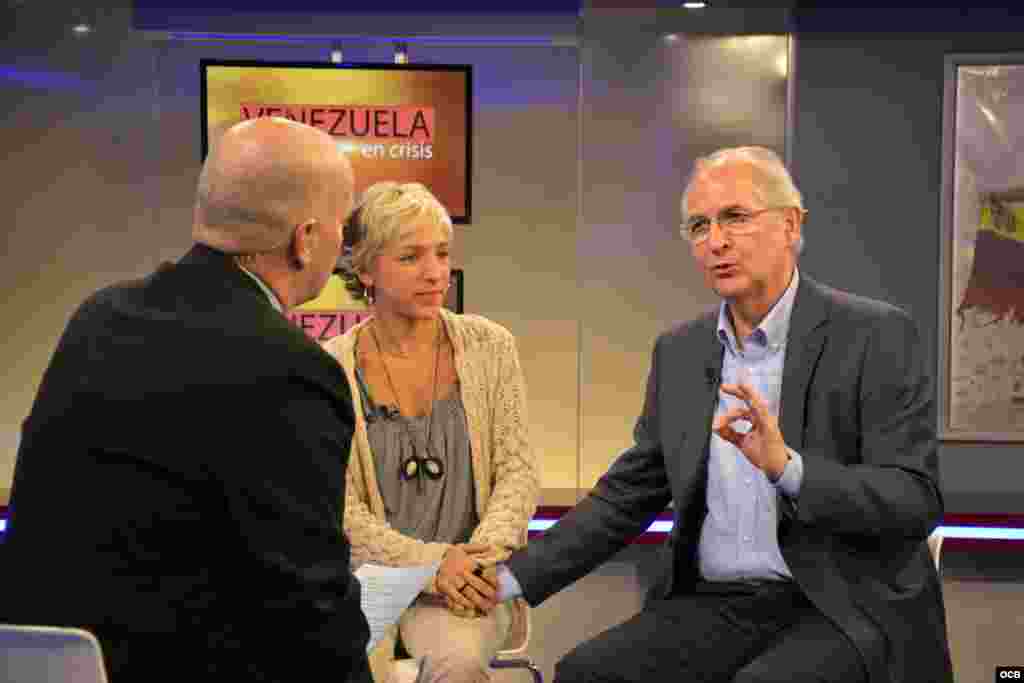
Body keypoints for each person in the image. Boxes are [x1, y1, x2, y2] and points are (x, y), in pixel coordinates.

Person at [496, 146, 953, 683]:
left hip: (843, 604)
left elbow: (913, 499)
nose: (716, 241)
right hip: (718, 605)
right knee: (587, 674)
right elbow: (627, 495)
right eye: (699, 225)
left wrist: (789, 469)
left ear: (791, 224)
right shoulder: (682, 353)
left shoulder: (876, 336)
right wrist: (508, 580)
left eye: (735, 217)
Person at [0, 117, 373, 682]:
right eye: (342, 226)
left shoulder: (98, 317)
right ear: (306, 239)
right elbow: (307, 607)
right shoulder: (291, 367)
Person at [324, 181, 539, 683]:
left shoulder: (490, 347)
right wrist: (431, 564)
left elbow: (517, 473)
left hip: (468, 588)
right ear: (365, 269)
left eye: (441, 253)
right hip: (366, 586)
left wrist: (473, 564)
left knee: (455, 662)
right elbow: (339, 507)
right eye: (411, 257)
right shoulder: (330, 367)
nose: (434, 272)